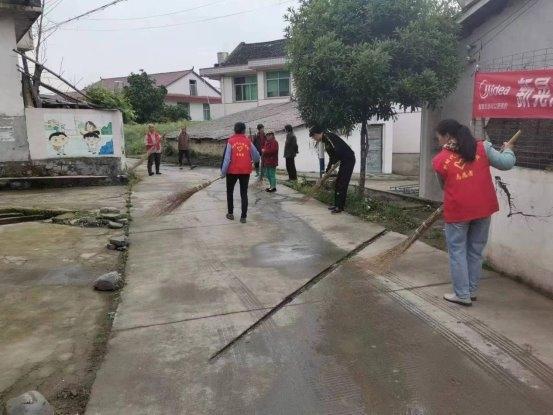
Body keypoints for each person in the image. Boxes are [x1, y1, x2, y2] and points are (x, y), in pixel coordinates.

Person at [432, 119, 516, 306]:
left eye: (438, 137)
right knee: (475, 251)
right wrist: (509, 149)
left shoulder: (439, 160)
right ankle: (470, 291)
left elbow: (444, 186)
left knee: (457, 252)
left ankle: (462, 295)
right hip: (483, 208)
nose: (438, 141)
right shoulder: (483, 147)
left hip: (458, 211)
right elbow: (507, 163)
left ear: (447, 136)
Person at [309, 126, 356, 214]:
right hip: (343, 160)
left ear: (316, 134)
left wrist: (334, 164)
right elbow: (332, 157)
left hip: (348, 159)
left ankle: (340, 207)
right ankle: (336, 205)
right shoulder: (325, 141)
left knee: (342, 183)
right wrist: (327, 171)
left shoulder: (328, 136)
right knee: (338, 183)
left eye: (313, 137)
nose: (314, 139)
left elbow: (337, 150)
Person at [221, 122, 260, 223]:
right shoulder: (248, 141)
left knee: (230, 192)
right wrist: (251, 160)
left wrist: (223, 172)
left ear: (234, 130)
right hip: (245, 171)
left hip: (232, 171)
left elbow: (227, 159)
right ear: (244, 130)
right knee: (244, 193)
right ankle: (243, 217)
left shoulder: (230, 141)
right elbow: (257, 157)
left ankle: (230, 214)